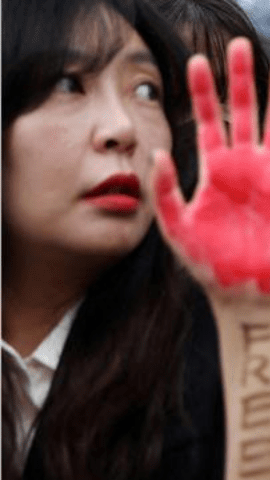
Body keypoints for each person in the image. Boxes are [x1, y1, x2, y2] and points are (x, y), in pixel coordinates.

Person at [1, 0, 221, 478]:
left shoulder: (215, 354)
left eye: (146, 91)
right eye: (68, 84)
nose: (123, 129)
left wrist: (261, 325)